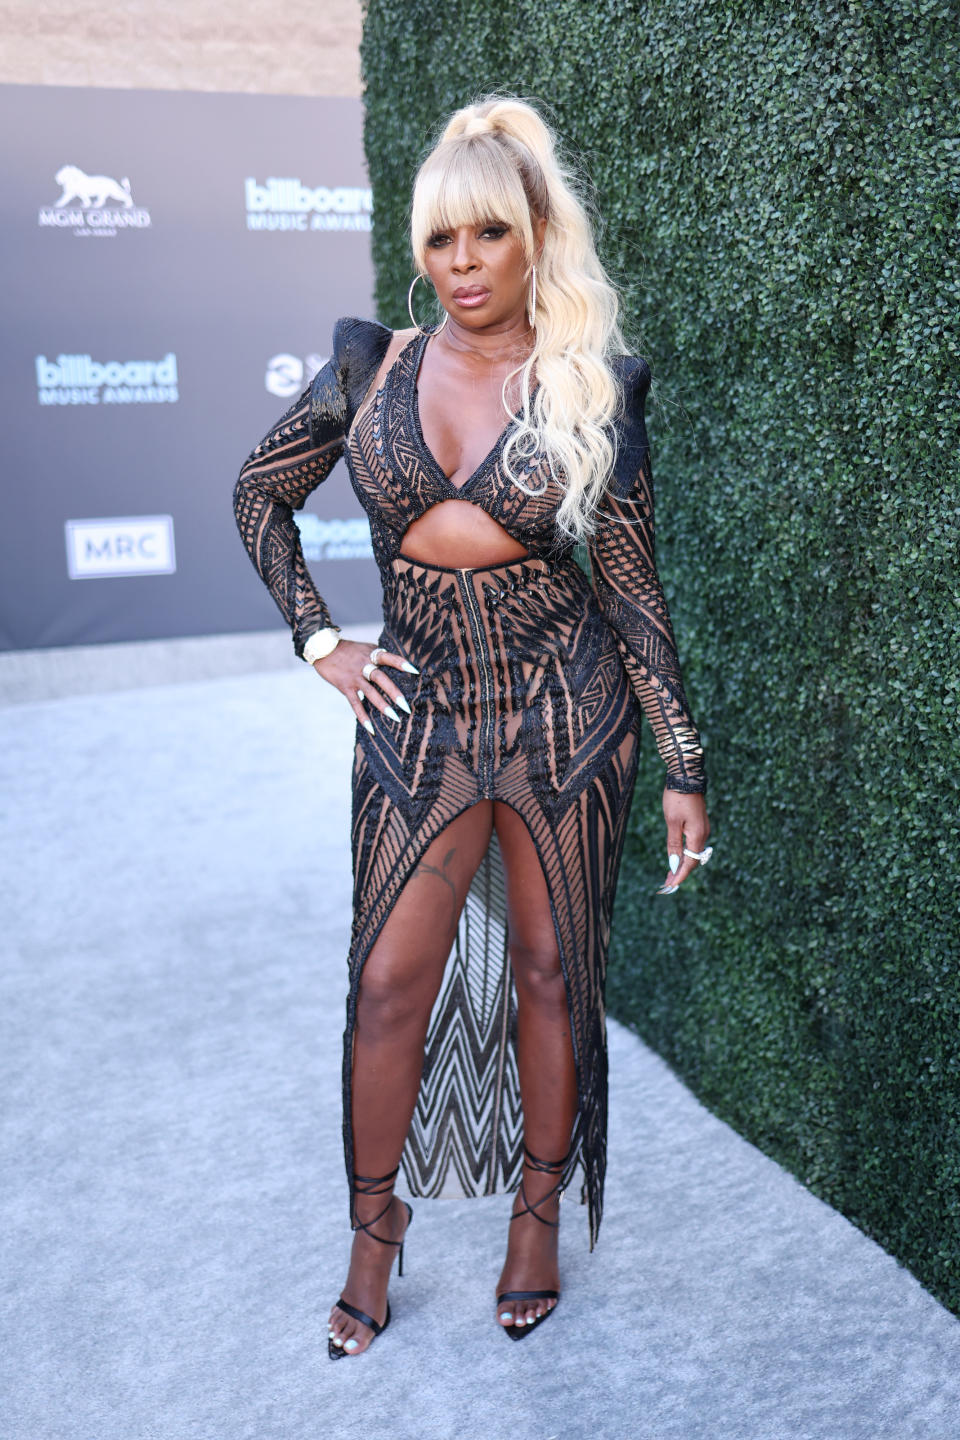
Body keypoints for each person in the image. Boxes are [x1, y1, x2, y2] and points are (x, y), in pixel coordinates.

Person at [232, 93, 711, 1359]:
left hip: (570, 715)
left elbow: (633, 587)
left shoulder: (591, 384)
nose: (460, 266)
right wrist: (321, 641)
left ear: (533, 234)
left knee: (555, 978)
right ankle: (373, 1233)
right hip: (422, 717)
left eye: (486, 237)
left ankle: (535, 1220)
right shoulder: (369, 365)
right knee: (389, 985)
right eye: (440, 241)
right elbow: (256, 497)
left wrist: (684, 761)